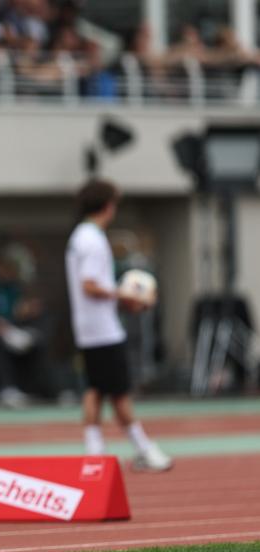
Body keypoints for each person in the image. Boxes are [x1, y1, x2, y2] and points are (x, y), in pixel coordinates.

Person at [65, 180, 172, 472]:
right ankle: (143, 448)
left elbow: (93, 287)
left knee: (95, 388)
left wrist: (121, 298)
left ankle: (95, 449)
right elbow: (90, 285)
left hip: (89, 327)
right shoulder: (92, 239)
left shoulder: (80, 236)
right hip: (102, 329)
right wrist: (129, 294)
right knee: (119, 391)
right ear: (108, 205)